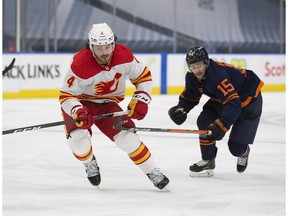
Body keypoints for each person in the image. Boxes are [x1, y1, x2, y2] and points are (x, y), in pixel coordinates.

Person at [59, 23, 169, 189]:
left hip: (107, 104)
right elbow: (67, 95)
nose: (104, 52)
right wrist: (78, 110)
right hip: (81, 103)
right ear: (91, 46)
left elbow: (143, 76)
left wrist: (141, 99)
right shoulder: (80, 63)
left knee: (127, 138)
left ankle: (152, 170)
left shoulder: (123, 55)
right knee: (79, 141)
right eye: (99, 48)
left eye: (108, 47)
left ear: (113, 44)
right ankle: (89, 162)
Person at [168, 47, 264, 177]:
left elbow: (234, 104)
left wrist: (223, 123)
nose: (197, 70)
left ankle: (244, 152)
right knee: (204, 121)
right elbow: (190, 96)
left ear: (206, 62)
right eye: (193, 67)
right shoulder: (192, 77)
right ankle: (208, 160)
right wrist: (181, 108)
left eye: (199, 66)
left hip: (249, 99)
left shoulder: (217, 76)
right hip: (225, 99)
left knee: (235, 148)